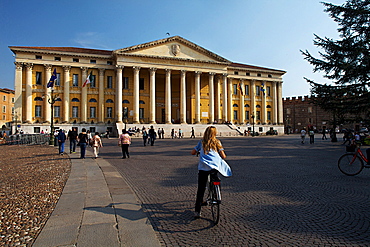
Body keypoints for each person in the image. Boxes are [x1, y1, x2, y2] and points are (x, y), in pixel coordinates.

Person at [191, 126, 232, 219]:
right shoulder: (217, 142)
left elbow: (193, 152)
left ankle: (197, 211)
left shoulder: (201, 142)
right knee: (215, 178)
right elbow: (223, 156)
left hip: (203, 168)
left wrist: (197, 152)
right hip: (214, 167)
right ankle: (216, 192)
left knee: (201, 189)